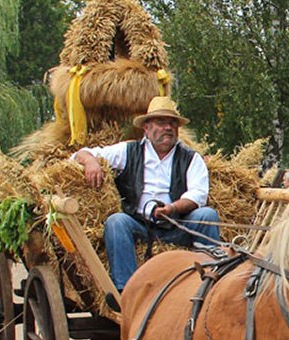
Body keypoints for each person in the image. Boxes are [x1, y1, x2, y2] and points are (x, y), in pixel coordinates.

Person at [74, 96, 220, 291]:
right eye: (161, 122)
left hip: (178, 225)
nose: (168, 128)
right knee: (116, 222)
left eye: (172, 123)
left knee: (207, 216)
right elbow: (80, 153)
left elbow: (198, 194)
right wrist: (91, 162)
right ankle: (126, 291)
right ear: (146, 128)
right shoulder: (129, 151)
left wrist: (172, 208)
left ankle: (212, 282)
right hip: (140, 226)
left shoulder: (191, 158)